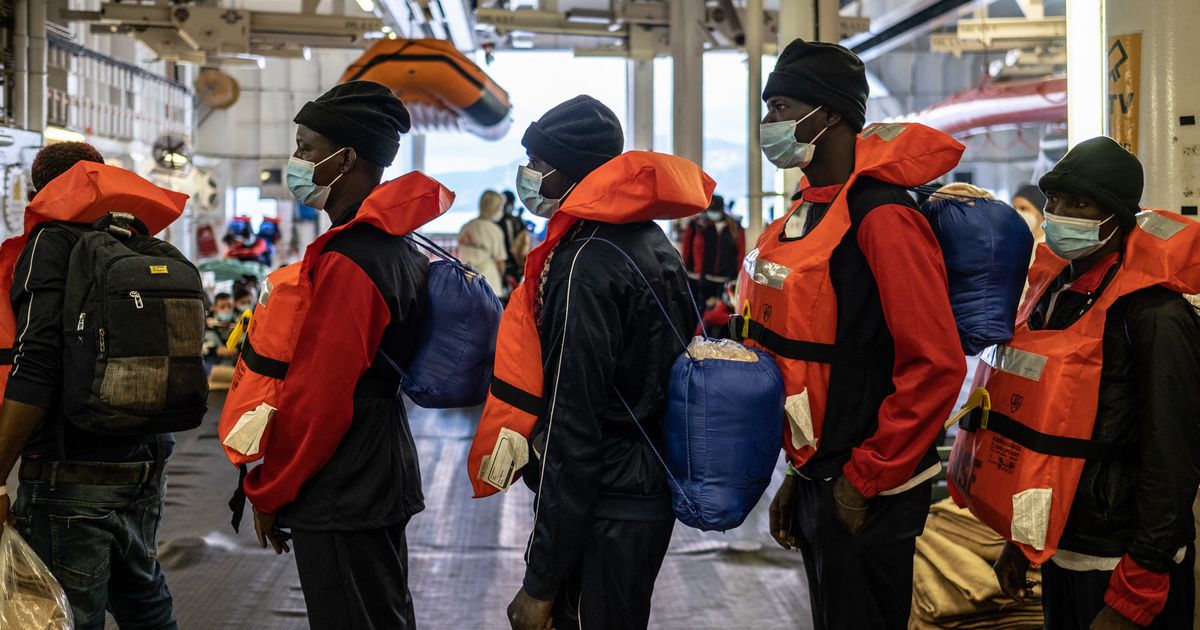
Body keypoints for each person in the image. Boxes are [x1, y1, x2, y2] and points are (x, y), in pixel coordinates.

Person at [737, 39, 966, 629]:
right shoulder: (804, 212)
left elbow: (935, 366)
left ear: (831, 113)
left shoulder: (882, 217)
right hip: (823, 472)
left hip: (871, 483)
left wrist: (866, 477)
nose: (769, 125)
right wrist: (798, 475)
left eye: (781, 107)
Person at [468, 95, 714, 630]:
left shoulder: (584, 261)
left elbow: (572, 427)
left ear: (570, 171)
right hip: (645, 485)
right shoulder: (650, 241)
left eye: (537, 163)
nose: (528, 175)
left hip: (605, 502)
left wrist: (541, 580)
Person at [242, 81, 436, 629]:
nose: (296, 159)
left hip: (343, 481)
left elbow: (321, 399)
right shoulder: (395, 246)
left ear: (346, 157)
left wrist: (270, 486)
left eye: (306, 147)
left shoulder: (352, 258)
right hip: (378, 467)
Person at [986, 137, 1200, 629]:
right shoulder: (1050, 299)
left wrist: (1138, 586)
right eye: (1054, 201)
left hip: (1120, 564)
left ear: (1117, 219)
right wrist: (1023, 539)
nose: (1058, 213)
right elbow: (1041, 428)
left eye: (1078, 204)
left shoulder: (1155, 315)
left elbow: (1172, 458)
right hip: (1062, 549)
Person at [0, 142, 187, 627]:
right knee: (145, 603)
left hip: (70, 473)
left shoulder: (51, 241)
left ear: (40, 190)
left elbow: (36, 361)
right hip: (145, 464)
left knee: (68, 614)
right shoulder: (136, 240)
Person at [681, 194, 745, 306]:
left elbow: (741, 253)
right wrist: (686, 271)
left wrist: (739, 277)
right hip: (703, 280)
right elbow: (687, 249)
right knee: (702, 314)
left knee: (723, 316)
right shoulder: (697, 225)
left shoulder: (735, 227)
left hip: (727, 280)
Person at [457, 189, 508, 295]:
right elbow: (500, 263)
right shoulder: (494, 230)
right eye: (499, 207)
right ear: (493, 208)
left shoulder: (466, 227)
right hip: (489, 283)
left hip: (466, 281)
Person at [496, 189, 533, 295]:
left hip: (501, 266)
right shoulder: (516, 221)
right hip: (513, 266)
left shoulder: (494, 222)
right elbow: (524, 245)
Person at [205, 292, 238, 369]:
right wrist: (216, 350)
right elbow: (200, 346)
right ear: (215, 308)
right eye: (222, 307)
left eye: (229, 306)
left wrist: (237, 349)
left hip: (234, 357)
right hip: (214, 359)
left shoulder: (240, 321)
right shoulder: (207, 323)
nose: (227, 310)